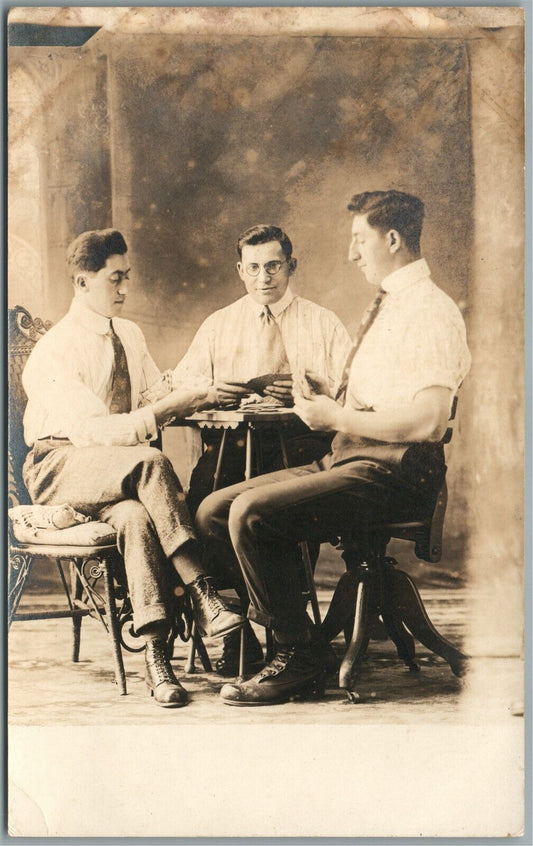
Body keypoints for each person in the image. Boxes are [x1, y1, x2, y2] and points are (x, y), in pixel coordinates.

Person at [195, 190, 472, 706]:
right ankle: (292, 636)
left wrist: (337, 416)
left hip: (395, 472)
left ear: (391, 239)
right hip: (353, 456)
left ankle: (297, 658)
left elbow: (431, 421)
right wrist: (326, 396)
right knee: (215, 510)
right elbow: (379, 398)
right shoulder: (393, 304)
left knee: (252, 513)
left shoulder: (430, 311)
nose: (351, 253)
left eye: (358, 239)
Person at [21, 229, 244, 709]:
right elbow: (95, 434)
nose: (125, 289)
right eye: (114, 279)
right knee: (151, 461)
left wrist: (198, 388)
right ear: (83, 281)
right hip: (58, 466)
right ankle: (203, 591)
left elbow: (146, 397)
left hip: (113, 473)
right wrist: (168, 410)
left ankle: (156, 659)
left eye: (127, 277)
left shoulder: (130, 334)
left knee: (136, 519)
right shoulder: (56, 349)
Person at [172, 224, 352, 675]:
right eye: (253, 268)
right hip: (232, 447)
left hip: (298, 446)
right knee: (204, 512)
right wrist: (211, 390)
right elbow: (179, 384)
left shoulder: (323, 321)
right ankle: (243, 636)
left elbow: (353, 392)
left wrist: (318, 389)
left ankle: (288, 634)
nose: (264, 277)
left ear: (291, 266)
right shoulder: (219, 323)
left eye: (273, 266)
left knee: (276, 519)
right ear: (239, 271)